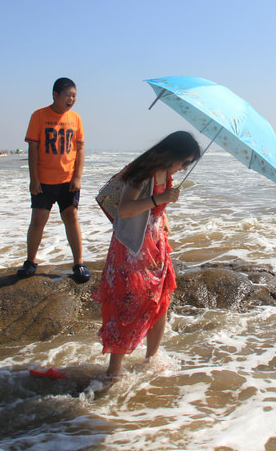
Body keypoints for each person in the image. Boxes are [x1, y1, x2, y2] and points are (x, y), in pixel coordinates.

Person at [93, 131, 201, 378]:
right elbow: (126, 209)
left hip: (155, 245)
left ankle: (151, 359)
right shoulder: (141, 172)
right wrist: (159, 199)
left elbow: (153, 208)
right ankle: (113, 372)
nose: (184, 168)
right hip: (132, 249)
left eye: (188, 164)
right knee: (127, 305)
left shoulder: (167, 174)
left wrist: (162, 215)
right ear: (171, 155)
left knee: (160, 302)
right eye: (184, 162)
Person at [18, 77, 90, 281]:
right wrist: (34, 179)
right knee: (38, 220)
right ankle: (30, 262)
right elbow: (33, 148)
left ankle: (79, 264)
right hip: (44, 181)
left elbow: (80, 148)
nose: (71, 99)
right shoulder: (39, 116)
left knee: (71, 217)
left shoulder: (75, 118)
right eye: (68, 95)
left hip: (68, 181)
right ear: (55, 95)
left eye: (74, 96)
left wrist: (77, 177)